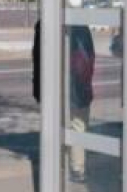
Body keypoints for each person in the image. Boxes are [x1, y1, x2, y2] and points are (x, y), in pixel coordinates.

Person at [32, 21, 96, 181]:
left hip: (54, 86)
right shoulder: (80, 24)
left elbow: (38, 58)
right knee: (78, 125)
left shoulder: (44, 24)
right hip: (78, 85)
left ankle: (57, 166)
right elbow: (90, 56)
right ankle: (77, 168)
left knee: (56, 126)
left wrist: (38, 89)